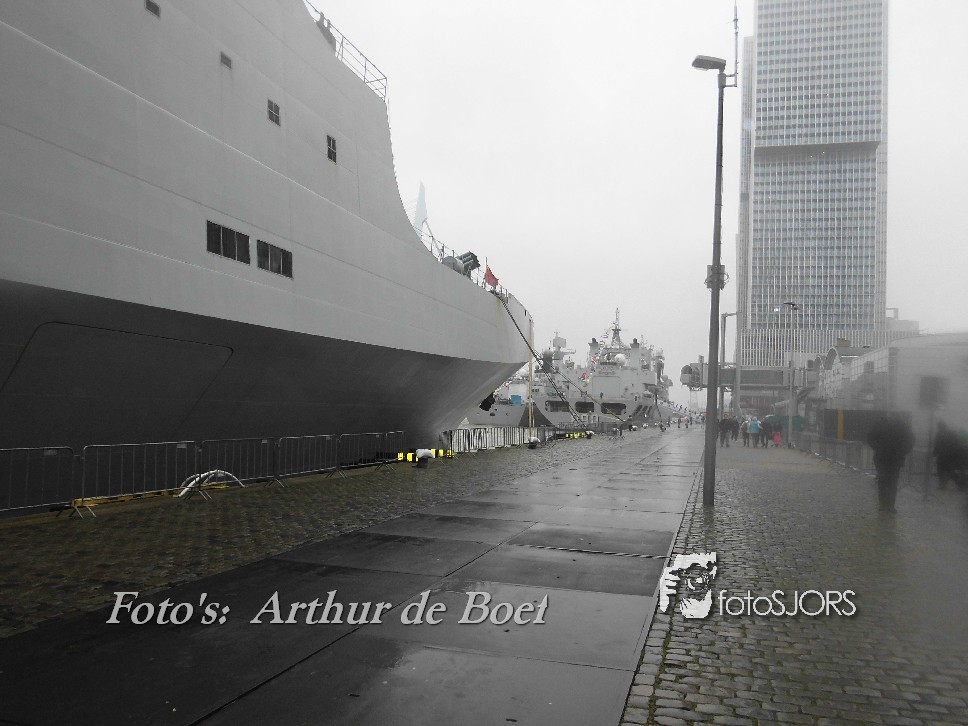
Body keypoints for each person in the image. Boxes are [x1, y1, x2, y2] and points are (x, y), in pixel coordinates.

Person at [866, 413, 915, 513]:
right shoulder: (900, 425)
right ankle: (886, 505)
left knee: (887, 481)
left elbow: (870, 438)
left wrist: (879, 448)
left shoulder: (893, 424)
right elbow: (910, 440)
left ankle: (887, 505)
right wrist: (902, 451)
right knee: (888, 481)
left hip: (888, 457)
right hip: (888, 457)